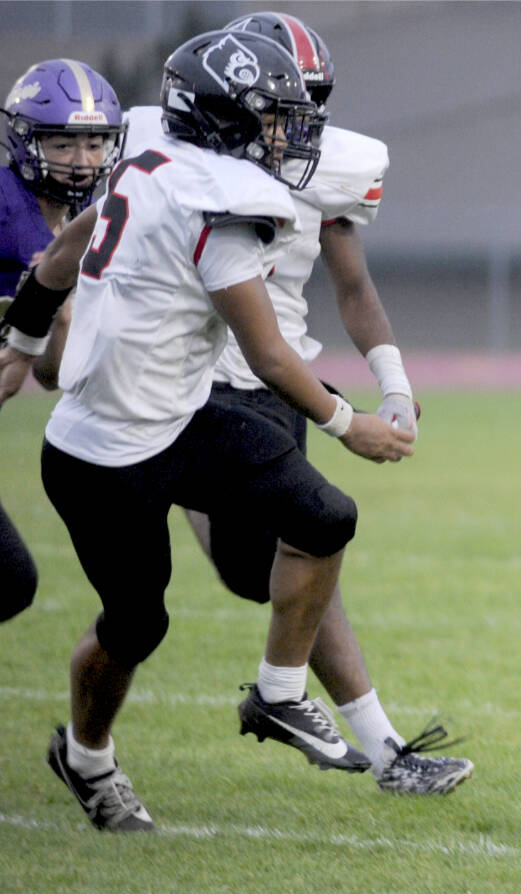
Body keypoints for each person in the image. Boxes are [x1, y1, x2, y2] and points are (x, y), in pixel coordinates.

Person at [15, 29, 414, 832]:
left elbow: (60, 252)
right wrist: (349, 424)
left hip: (184, 419)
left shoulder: (146, 162)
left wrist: (20, 344)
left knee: (326, 517)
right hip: (105, 453)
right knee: (137, 625)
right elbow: (267, 355)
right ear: (226, 120)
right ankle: (87, 758)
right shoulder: (224, 206)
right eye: (273, 118)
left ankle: (278, 694)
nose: (291, 135)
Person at [161, 10, 467, 796]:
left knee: (293, 550)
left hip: (278, 383)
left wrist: (393, 384)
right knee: (284, 544)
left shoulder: (321, 168)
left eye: (308, 104)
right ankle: (368, 744)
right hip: (191, 380)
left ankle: (387, 752)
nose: (295, 124)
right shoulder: (183, 167)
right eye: (279, 105)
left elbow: (353, 285)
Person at [0, 58, 125, 623]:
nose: (82, 161)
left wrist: (64, 319)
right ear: (28, 140)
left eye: (95, 144)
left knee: (9, 583)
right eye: (64, 144)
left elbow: (50, 375)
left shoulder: (85, 219)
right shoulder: (5, 205)